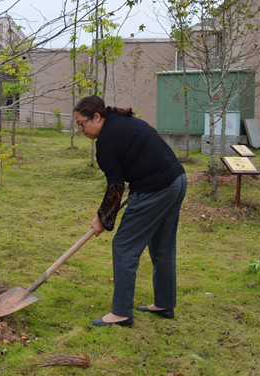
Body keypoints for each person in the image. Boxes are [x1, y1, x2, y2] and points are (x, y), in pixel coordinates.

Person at [73, 95, 187, 327]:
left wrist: (102, 218)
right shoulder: (121, 121)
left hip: (156, 188)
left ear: (97, 117)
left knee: (124, 246)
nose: (80, 130)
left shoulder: (106, 142)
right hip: (177, 180)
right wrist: (104, 215)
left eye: (82, 124)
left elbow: (116, 187)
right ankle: (164, 303)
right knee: (162, 246)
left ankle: (121, 313)